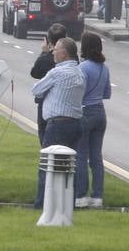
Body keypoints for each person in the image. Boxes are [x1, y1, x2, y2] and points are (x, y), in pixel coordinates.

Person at [31, 37, 85, 209]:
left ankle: (42, 204)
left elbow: (36, 89)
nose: (53, 52)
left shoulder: (57, 72)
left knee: (48, 164)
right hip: (75, 123)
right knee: (69, 166)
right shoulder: (79, 72)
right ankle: (68, 203)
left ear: (63, 54)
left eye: (55, 50)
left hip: (57, 124)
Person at [76, 32, 111, 209]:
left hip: (85, 111)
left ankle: (81, 196)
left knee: (81, 155)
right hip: (100, 112)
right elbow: (107, 94)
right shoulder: (104, 68)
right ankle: (98, 197)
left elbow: (78, 92)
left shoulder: (83, 67)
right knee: (96, 157)